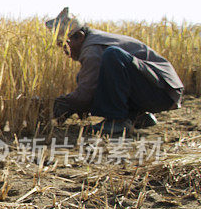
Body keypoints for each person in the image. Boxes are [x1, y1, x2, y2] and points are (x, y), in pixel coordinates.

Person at [46, 7, 184, 135]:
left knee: (113, 55)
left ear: (80, 36)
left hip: (162, 93)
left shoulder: (92, 49)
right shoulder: (94, 41)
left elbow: (85, 95)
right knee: (84, 76)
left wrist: (55, 106)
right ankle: (137, 117)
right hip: (159, 92)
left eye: (65, 45)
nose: (65, 51)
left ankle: (116, 121)